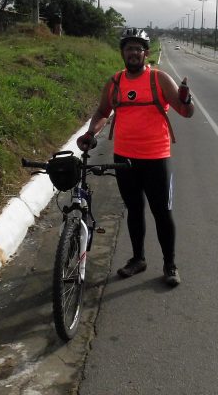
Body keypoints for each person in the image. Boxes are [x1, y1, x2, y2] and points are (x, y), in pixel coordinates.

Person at [76, 28, 194, 287]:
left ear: (146, 53)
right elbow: (102, 111)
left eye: (138, 48)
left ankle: (170, 264)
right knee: (134, 210)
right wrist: (91, 133)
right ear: (122, 52)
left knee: (162, 212)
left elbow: (186, 112)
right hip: (125, 158)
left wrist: (186, 98)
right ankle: (138, 259)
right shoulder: (115, 82)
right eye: (129, 48)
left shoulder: (159, 79)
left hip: (156, 158)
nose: (133, 52)